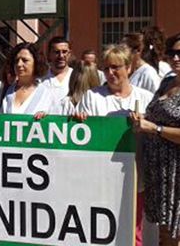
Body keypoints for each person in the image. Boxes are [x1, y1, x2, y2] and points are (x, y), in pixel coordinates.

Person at [76, 44, 153, 246]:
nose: (110, 73)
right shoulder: (92, 96)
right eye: (107, 68)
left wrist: (146, 124)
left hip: (136, 175)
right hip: (101, 177)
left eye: (116, 67)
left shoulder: (145, 97)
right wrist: (79, 120)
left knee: (133, 231)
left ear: (128, 68)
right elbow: (82, 134)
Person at [130, 33, 180, 246]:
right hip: (159, 170)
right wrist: (142, 118)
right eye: (172, 53)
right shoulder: (167, 81)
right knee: (164, 234)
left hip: (177, 171)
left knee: (173, 233)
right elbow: (153, 113)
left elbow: (157, 125)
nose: (176, 58)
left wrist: (155, 128)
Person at [0, 43, 59, 116]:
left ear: (36, 63)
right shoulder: (6, 91)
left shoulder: (47, 94)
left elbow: (58, 120)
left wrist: (46, 118)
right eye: (16, 60)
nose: (19, 64)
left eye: (25, 60)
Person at [41, 36, 73, 100]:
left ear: (69, 54)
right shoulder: (41, 79)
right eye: (56, 52)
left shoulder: (76, 77)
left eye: (64, 52)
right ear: (49, 54)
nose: (61, 56)